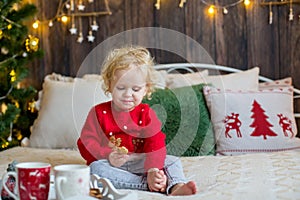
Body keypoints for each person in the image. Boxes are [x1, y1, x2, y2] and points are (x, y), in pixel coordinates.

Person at [77, 46, 197, 196]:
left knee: (172, 161)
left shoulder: (146, 113)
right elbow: (86, 143)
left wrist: (153, 169)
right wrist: (107, 154)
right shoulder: (98, 112)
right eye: (121, 88)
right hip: (112, 164)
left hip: (141, 162)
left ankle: (176, 186)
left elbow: (155, 142)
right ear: (109, 86)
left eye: (135, 89)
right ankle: (146, 184)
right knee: (96, 169)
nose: (128, 94)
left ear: (145, 89)